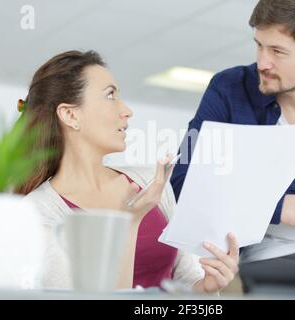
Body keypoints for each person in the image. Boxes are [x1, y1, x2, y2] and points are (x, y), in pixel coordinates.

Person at [171, 0, 295, 298]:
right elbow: (184, 180)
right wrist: (280, 204)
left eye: (278, 51)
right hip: (263, 257)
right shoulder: (227, 89)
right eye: (259, 46)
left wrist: (250, 189)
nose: (262, 62)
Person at [17, 50, 239, 293]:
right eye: (110, 95)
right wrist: (130, 223)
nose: (127, 111)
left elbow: (186, 281)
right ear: (70, 115)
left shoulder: (150, 182)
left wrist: (207, 286)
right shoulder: (36, 213)